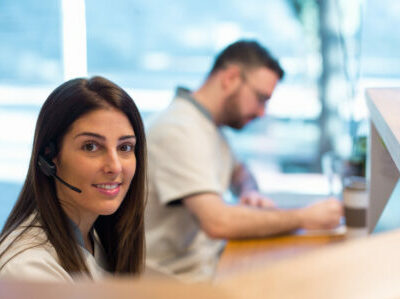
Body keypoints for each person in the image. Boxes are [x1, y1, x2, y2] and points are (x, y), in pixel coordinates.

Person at [145, 40, 343, 282]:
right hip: (176, 283)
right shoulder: (178, 130)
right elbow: (218, 222)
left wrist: (248, 191)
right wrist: (304, 217)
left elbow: (239, 171)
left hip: (210, 266)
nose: (262, 112)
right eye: (261, 98)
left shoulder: (206, 125)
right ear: (230, 79)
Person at [0, 76, 147, 282]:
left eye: (125, 147)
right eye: (91, 146)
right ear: (49, 157)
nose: (114, 167)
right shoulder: (29, 269)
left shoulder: (93, 239)